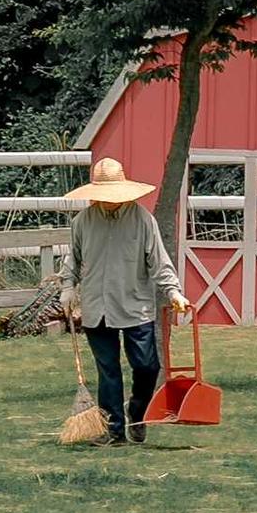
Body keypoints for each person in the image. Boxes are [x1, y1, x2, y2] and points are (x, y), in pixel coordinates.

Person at [65, 155, 191, 445]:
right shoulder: (82, 222)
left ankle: (137, 413)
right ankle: (113, 430)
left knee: (148, 367)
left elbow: (159, 262)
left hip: (136, 306)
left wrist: (173, 292)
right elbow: (72, 261)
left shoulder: (143, 220)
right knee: (108, 371)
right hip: (97, 307)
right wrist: (67, 289)